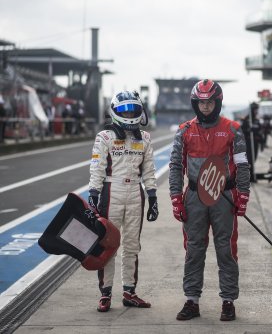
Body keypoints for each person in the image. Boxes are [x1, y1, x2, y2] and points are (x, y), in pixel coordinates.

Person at [169, 79, 251, 322]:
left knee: (226, 249)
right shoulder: (184, 130)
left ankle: (228, 301)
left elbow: (243, 165)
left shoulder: (233, 129)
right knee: (194, 249)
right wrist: (176, 197)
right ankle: (192, 301)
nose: (206, 107)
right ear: (196, 103)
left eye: (210, 102)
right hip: (194, 196)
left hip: (224, 196)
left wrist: (243, 195)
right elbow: (175, 166)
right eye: (201, 102)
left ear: (218, 102)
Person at [88, 90, 159, 312]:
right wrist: (94, 193)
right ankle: (105, 294)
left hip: (136, 192)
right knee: (108, 245)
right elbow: (97, 166)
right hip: (112, 190)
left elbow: (149, 170)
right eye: (124, 109)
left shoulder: (145, 138)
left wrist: (153, 196)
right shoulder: (105, 137)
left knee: (132, 246)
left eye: (133, 109)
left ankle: (129, 292)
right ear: (114, 111)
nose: (129, 113)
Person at [241, 102, 261, 182]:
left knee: (254, 158)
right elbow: (242, 131)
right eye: (255, 109)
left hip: (255, 142)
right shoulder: (246, 120)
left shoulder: (256, 120)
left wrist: (260, 136)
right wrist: (248, 130)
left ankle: (252, 174)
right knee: (249, 159)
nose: (256, 111)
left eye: (257, 109)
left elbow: (260, 129)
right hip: (249, 142)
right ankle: (250, 175)